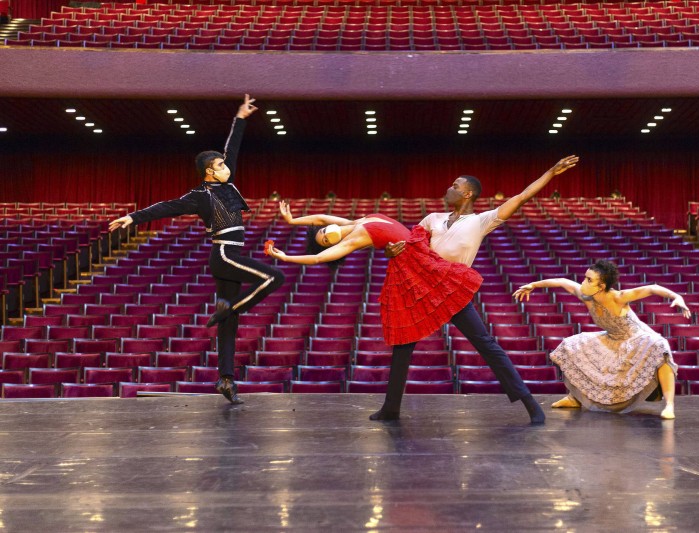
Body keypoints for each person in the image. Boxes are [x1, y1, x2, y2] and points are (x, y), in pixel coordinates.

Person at [109, 94, 285, 405]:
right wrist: (133, 217)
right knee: (274, 278)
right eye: (219, 165)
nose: (226, 167)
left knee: (229, 324)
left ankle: (226, 379)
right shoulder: (200, 196)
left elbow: (233, 149)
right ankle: (229, 310)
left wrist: (240, 118)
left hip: (226, 255)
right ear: (208, 172)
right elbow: (168, 207)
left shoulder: (226, 184)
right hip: (224, 254)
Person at [376, 155, 579, 424]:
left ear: (468, 193)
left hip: (452, 290)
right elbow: (409, 249)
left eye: (455, 185)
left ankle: (530, 404)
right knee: (403, 346)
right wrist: (391, 251)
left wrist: (551, 173)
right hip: (424, 289)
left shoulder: (482, 221)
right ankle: (390, 410)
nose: (449, 188)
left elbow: (521, 197)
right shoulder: (432, 218)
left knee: (486, 345)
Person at [266, 201, 484, 346]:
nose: (326, 233)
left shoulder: (353, 223)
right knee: (447, 303)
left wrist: (293, 220)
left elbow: (322, 218)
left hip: (423, 253)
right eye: (324, 240)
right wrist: (285, 258)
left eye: (323, 232)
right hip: (416, 264)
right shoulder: (354, 238)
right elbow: (318, 258)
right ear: (331, 244)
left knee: (452, 301)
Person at [513, 260, 689, 420]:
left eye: (589, 280)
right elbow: (561, 282)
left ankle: (669, 405)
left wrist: (676, 297)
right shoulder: (586, 295)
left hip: (636, 337)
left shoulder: (618, 297)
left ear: (601, 286)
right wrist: (533, 285)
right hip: (612, 338)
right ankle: (575, 398)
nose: (583, 282)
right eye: (585, 278)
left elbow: (652, 288)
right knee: (571, 345)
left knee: (660, 347)